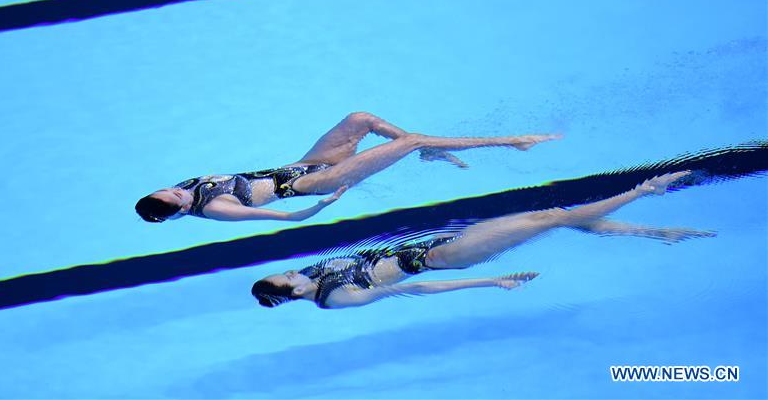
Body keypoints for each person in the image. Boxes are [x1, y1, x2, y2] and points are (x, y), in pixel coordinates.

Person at [251, 171, 715, 309]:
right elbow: (414, 288)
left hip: (429, 243)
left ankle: (656, 232)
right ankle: (641, 192)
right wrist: (492, 283)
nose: (296, 270)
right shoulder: (335, 298)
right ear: (293, 292)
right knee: (550, 219)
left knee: (549, 215)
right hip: (446, 258)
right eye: (289, 276)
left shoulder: (314, 274)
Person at [135, 112, 560, 223]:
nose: (174, 190)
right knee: (411, 141)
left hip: (302, 165)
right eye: (172, 198)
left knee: (360, 118)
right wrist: (321, 206)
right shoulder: (214, 208)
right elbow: (278, 215)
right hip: (316, 183)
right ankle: (512, 142)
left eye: (167, 189)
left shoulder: (186, 187)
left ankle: (426, 151)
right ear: (177, 211)